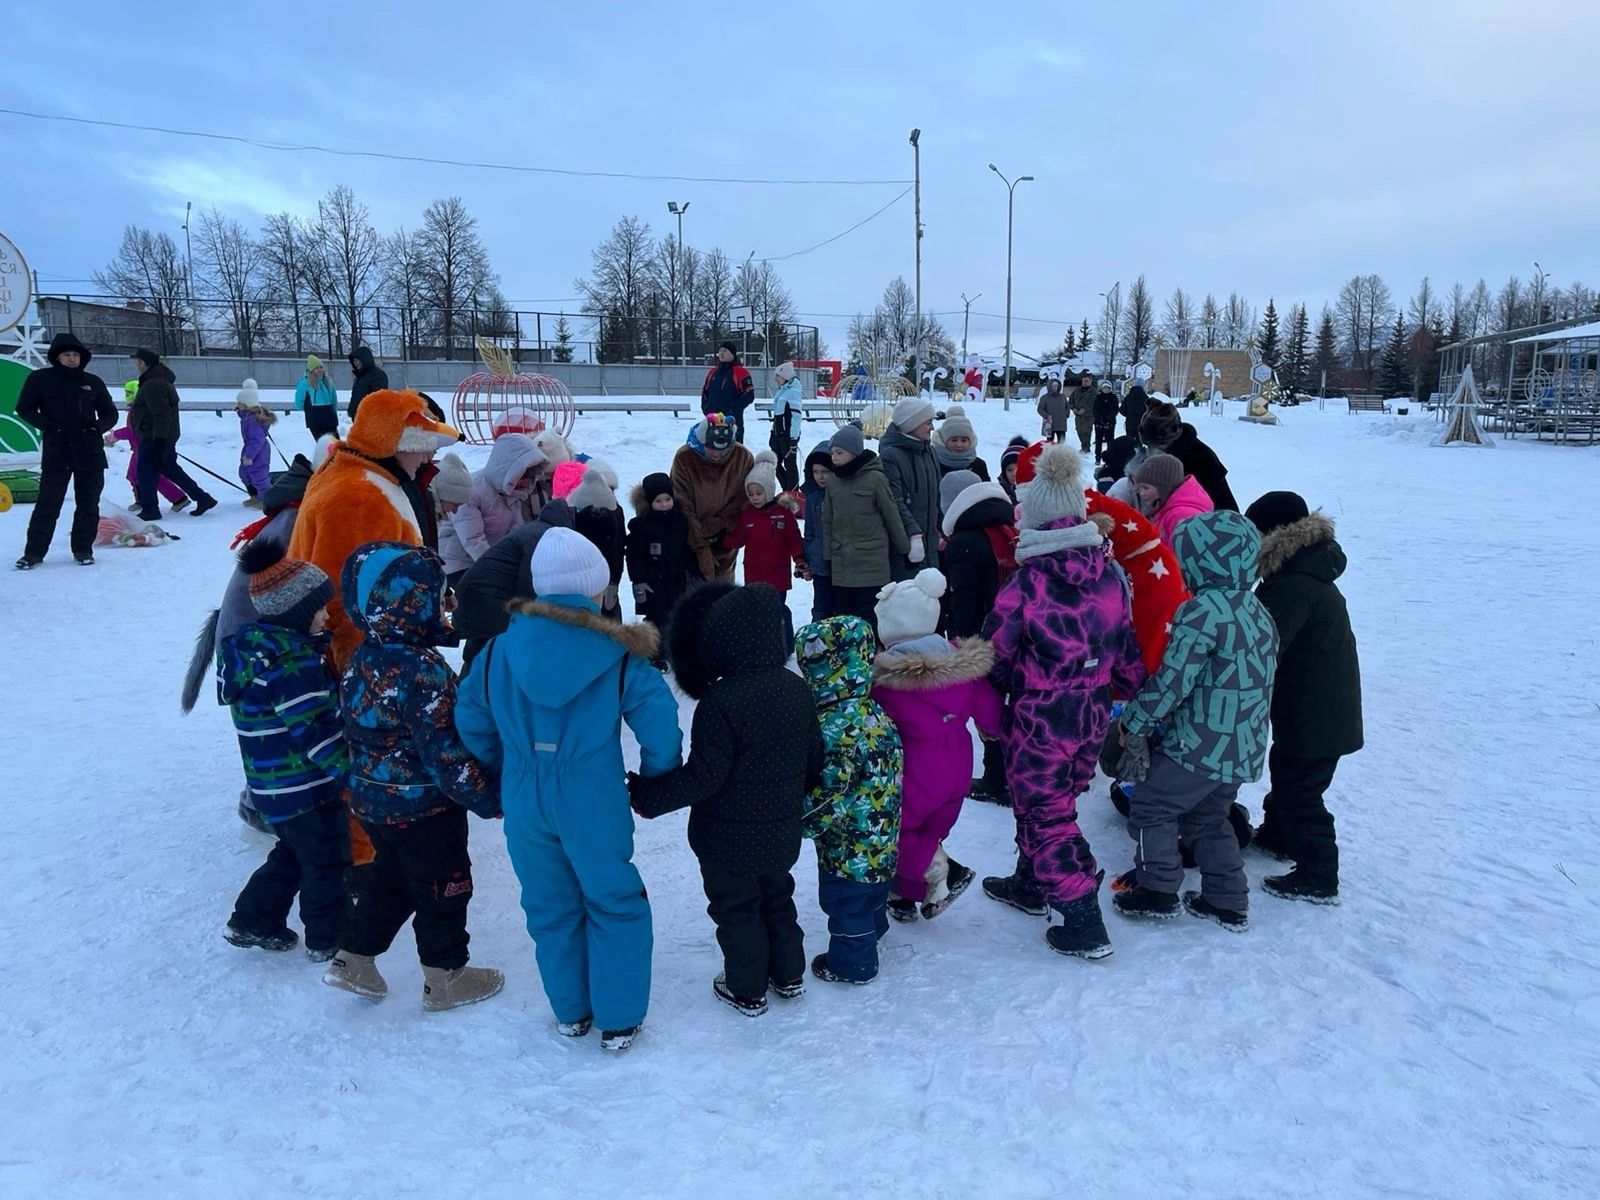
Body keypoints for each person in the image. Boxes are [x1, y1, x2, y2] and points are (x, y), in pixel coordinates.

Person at [455, 528, 683, 1054]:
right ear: (594, 589)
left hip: (524, 794)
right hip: (591, 794)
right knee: (614, 898)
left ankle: (571, 1010)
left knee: (548, 903)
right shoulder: (618, 653)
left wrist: (501, 766)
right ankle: (619, 1017)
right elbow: (659, 719)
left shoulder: (497, 651)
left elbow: (471, 718)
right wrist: (656, 776)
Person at [323, 541, 506, 1011]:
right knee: (445, 885)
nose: (446, 602)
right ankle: (446, 977)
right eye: (436, 594)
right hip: (425, 808)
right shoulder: (421, 672)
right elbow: (444, 751)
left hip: (374, 803)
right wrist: (489, 797)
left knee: (393, 879)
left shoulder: (362, 658)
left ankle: (353, 957)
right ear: (410, 603)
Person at [980, 444, 1145, 959]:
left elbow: (994, 656)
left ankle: (1082, 918)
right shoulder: (1111, 579)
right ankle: (1032, 883)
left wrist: (989, 709)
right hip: (1091, 716)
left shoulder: (1026, 585)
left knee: (1047, 815)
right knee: (1054, 804)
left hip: (1040, 720)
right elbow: (1127, 657)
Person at [632, 583, 822, 1017]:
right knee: (777, 897)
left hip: (725, 838)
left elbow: (705, 775)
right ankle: (789, 974)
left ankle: (747, 987)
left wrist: (650, 796)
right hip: (780, 829)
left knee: (737, 909)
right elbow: (814, 757)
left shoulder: (721, 700)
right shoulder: (796, 688)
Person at [1111, 510, 1277, 931]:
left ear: (1203, 560)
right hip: (1242, 744)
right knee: (1207, 818)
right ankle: (1227, 898)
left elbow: (1173, 681)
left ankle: (1157, 887)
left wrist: (1136, 721)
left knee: (1150, 806)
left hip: (1200, 742)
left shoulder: (1202, 612)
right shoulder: (1258, 612)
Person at [219, 541, 349, 958]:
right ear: (295, 616)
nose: (327, 615)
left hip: (272, 784)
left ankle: (253, 918)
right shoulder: (293, 666)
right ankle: (329, 939)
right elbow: (315, 729)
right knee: (326, 858)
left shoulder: (254, 653)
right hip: (303, 784)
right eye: (318, 609)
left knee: (293, 852)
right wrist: (351, 771)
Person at [288, 389, 462, 670]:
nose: (428, 458)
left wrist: (437, 591)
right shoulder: (360, 496)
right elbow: (341, 590)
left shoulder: (359, 474)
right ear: (401, 445)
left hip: (381, 646)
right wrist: (353, 665)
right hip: (369, 658)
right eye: (426, 447)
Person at [1245, 492, 1363, 904]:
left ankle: (1318, 874)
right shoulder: (1304, 571)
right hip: (1315, 705)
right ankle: (1279, 836)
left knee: (1300, 790)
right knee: (1289, 771)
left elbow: (1264, 644)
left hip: (1316, 711)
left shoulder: (1294, 585)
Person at [871, 571, 1003, 922]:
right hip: (958, 766)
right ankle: (904, 894)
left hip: (915, 772)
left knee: (896, 832)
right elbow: (988, 709)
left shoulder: (886, 684)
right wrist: (991, 728)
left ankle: (942, 870)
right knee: (930, 830)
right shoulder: (960, 667)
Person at [794, 616, 903, 984]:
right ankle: (874, 929)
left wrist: (803, 820)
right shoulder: (873, 712)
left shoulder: (836, 728)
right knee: (872, 891)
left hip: (849, 845)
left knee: (845, 902)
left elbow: (833, 791)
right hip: (883, 833)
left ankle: (854, 962)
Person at [14, 333, 120, 569]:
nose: (72, 359)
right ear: (56, 357)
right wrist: (48, 426)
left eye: (75, 355)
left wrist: (97, 427)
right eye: (66, 355)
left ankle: (83, 549)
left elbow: (109, 412)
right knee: (48, 504)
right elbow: (25, 408)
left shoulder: (92, 381)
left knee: (88, 503)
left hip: (89, 451)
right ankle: (33, 553)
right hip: (57, 450)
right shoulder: (40, 379)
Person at [451, 497, 575, 668]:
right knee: (492, 656)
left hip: (474, 599)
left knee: (480, 652)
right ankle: (478, 688)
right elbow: (529, 587)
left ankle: (468, 688)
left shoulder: (534, 529)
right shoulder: (541, 537)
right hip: (486, 603)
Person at [822, 426, 908, 628]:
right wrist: (828, 555)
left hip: (871, 566)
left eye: (839, 453)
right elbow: (827, 520)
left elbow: (891, 515)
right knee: (844, 619)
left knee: (869, 617)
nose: (834, 458)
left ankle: (870, 655)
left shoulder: (875, 479)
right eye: (832, 453)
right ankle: (846, 657)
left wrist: (904, 549)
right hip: (842, 565)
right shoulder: (834, 482)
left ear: (855, 452)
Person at [724, 450, 805, 649]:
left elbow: (794, 539)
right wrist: (720, 541)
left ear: (768, 491)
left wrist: (800, 560)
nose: (754, 498)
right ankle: (760, 644)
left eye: (759, 493)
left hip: (778, 575)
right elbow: (738, 538)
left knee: (778, 610)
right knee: (756, 610)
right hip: (754, 574)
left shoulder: (783, 514)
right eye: (750, 494)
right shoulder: (748, 515)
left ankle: (784, 644)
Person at [128, 348, 217, 523]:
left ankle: (150, 509)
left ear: (142, 363)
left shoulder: (153, 383)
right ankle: (203, 498)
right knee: (170, 469)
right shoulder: (159, 380)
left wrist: (159, 441)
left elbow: (161, 414)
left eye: (137, 362)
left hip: (156, 438)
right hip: (161, 437)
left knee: (145, 472)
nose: (136, 366)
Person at [441, 434, 546, 579]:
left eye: (527, 479)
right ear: (509, 470)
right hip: (458, 562)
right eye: (520, 477)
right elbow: (473, 539)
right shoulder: (472, 490)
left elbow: (515, 530)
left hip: (489, 558)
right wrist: (495, 568)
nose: (523, 483)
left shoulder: (514, 491)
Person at [671, 412, 755, 583]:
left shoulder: (742, 456)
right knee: (693, 594)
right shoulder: (685, 458)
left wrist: (720, 523)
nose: (717, 454)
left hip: (726, 536)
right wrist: (700, 545)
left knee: (724, 592)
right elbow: (682, 502)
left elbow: (744, 497)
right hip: (691, 537)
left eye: (723, 450)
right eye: (712, 449)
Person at [877, 395, 941, 577]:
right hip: (906, 546)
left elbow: (936, 497)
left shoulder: (929, 451)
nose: (932, 428)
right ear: (911, 424)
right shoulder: (890, 456)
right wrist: (914, 534)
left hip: (930, 543)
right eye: (927, 423)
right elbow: (894, 501)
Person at [625, 473, 690, 648]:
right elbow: (633, 554)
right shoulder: (642, 526)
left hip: (676, 580)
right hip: (653, 583)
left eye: (667, 499)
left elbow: (686, 549)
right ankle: (655, 651)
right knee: (656, 618)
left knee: (677, 615)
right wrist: (638, 578)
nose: (664, 504)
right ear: (649, 502)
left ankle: (674, 649)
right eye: (658, 501)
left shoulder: (680, 521)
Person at [1139, 400, 1239, 511]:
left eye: (1155, 447)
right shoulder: (1174, 452)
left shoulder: (1198, 458)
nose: (1151, 451)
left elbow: (1217, 505)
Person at [108, 378, 187, 514]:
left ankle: (175, 498)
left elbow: (133, 430)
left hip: (143, 449)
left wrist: (115, 435)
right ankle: (146, 499)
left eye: (129, 393)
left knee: (146, 476)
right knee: (138, 475)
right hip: (140, 449)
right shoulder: (138, 409)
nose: (127, 396)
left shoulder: (139, 410)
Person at [568, 459, 626, 619]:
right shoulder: (577, 515)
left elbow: (619, 548)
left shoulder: (617, 511)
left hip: (610, 578)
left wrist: (615, 580)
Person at [1133, 451, 1215, 545]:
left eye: (1146, 488)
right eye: (1139, 488)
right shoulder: (1165, 508)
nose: (1142, 493)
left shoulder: (1181, 516)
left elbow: (1187, 553)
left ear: (1163, 488)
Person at [798, 441, 835, 622]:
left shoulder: (839, 495)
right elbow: (809, 532)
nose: (820, 477)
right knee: (820, 608)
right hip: (819, 565)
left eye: (825, 472)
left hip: (840, 565)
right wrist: (806, 561)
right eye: (816, 472)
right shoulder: (812, 497)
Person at [430, 452, 476, 586]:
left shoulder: (435, 512)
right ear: (444, 495)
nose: (455, 511)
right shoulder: (422, 512)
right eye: (455, 504)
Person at [701, 341, 756, 444]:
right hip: (712, 419)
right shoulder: (713, 372)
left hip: (732, 421)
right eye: (720, 350)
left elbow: (749, 394)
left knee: (734, 452)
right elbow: (705, 392)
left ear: (732, 354)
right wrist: (706, 408)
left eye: (725, 351)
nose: (721, 353)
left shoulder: (741, 372)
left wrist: (734, 408)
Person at [235, 378, 275, 509]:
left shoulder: (253, 420)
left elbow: (257, 440)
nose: (237, 405)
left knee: (259, 475)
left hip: (259, 451)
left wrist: (250, 456)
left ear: (247, 404)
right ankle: (256, 496)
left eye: (240, 403)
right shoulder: (246, 417)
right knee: (244, 473)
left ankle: (267, 499)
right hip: (250, 449)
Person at [769, 360, 802, 491]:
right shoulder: (782, 391)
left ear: (785, 376)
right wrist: (773, 432)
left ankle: (793, 492)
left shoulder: (793, 392)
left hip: (788, 436)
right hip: (778, 434)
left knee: (790, 464)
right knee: (774, 463)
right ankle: (786, 490)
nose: (775, 379)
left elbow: (796, 417)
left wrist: (793, 438)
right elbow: (778, 415)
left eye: (777, 375)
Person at [932, 406, 990, 480]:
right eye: (954, 440)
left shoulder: (978, 465)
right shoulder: (934, 464)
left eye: (963, 440)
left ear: (970, 441)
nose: (959, 445)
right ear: (945, 441)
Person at [295, 355, 339, 440]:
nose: (320, 370)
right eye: (317, 368)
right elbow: (299, 403)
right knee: (324, 447)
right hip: (315, 421)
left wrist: (334, 412)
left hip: (330, 419)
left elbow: (334, 400)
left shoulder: (327, 382)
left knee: (336, 445)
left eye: (321, 367)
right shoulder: (304, 384)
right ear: (311, 370)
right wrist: (309, 410)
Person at [345, 346, 389, 420]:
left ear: (365, 360)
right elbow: (356, 396)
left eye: (357, 360)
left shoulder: (378, 375)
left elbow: (378, 399)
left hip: (370, 419)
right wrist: (351, 409)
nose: (355, 363)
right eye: (354, 361)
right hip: (358, 418)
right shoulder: (360, 376)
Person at [1067, 372, 1096, 454]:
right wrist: (1073, 408)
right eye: (1084, 381)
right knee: (1079, 431)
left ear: (1090, 381)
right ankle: (1083, 446)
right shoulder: (1077, 391)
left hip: (1088, 416)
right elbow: (1071, 400)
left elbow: (1093, 402)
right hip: (1078, 416)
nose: (1085, 382)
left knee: (1086, 431)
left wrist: (1085, 409)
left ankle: (1086, 447)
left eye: (1087, 381)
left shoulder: (1094, 391)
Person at [1036, 378, 1069, 446]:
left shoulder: (1062, 396)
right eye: (1053, 386)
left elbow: (1067, 406)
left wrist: (1066, 414)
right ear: (1049, 386)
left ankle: (1060, 455)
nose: (1055, 387)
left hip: (1061, 424)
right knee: (1049, 443)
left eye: (1056, 386)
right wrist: (1047, 416)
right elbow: (1040, 409)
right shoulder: (1045, 397)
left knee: (1062, 442)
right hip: (1050, 423)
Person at [1093, 382, 1120, 462]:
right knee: (1098, 441)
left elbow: (1115, 410)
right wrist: (1100, 419)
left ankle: (1110, 457)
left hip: (1110, 422)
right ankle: (1098, 458)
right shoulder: (1098, 397)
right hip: (1099, 422)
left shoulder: (1114, 397)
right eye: (1104, 388)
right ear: (1102, 388)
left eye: (1108, 388)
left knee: (1110, 441)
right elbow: (1095, 410)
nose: (1106, 389)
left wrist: (1108, 419)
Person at [997, 436, 1028, 506]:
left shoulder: (1033, 491)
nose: (1014, 474)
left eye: (1018, 469)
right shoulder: (1000, 492)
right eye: (1009, 470)